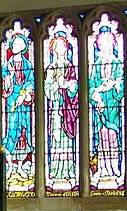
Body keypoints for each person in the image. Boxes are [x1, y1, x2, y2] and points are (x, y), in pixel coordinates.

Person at [89, 25, 124, 185]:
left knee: (112, 136)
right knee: (102, 136)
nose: (105, 45)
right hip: (100, 108)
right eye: (102, 43)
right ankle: (102, 168)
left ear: (113, 44)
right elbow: (90, 86)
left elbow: (122, 84)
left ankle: (114, 168)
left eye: (108, 42)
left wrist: (114, 85)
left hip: (113, 107)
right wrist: (96, 95)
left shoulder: (117, 63)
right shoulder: (95, 66)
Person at [44, 32, 79, 188]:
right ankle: (56, 171)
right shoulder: (51, 68)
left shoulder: (70, 67)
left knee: (67, 140)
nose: (60, 49)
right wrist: (56, 85)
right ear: (53, 50)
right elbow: (47, 89)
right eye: (57, 46)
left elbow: (75, 87)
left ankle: (69, 171)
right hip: (56, 108)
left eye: (63, 46)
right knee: (56, 140)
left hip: (68, 109)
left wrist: (68, 85)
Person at [1, 31, 35, 182]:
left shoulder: (28, 65)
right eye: (14, 44)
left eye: (19, 44)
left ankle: (19, 167)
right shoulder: (6, 66)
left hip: (24, 102)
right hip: (12, 101)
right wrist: (8, 80)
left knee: (23, 132)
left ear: (24, 47)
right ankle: (9, 167)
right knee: (11, 131)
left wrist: (25, 94)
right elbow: (4, 86)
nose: (15, 46)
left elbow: (30, 82)